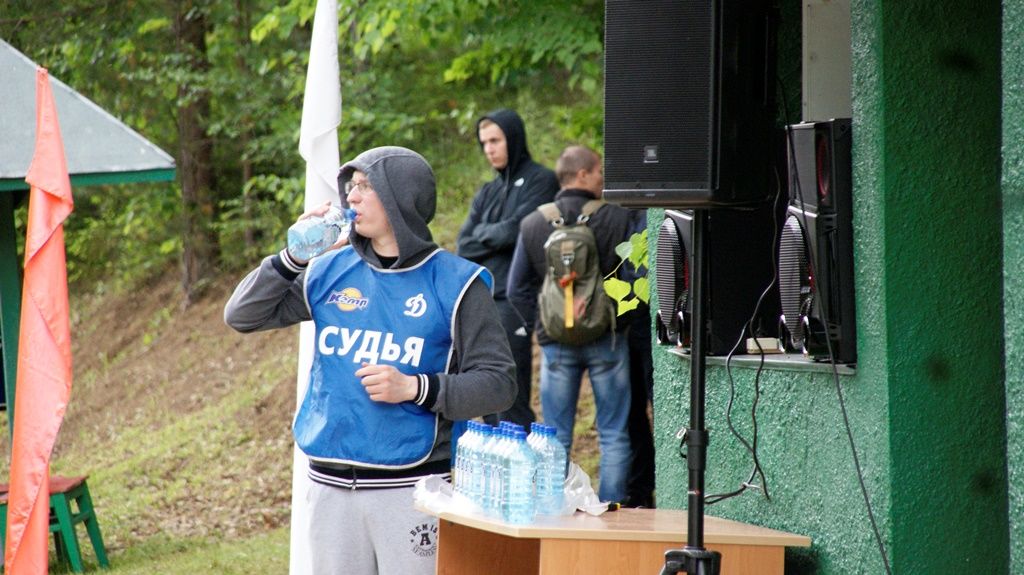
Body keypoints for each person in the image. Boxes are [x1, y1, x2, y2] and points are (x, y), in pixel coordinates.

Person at [224, 146, 516, 575]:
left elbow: (499, 384)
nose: (352, 197)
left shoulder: (457, 283)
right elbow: (242, 315)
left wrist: (416, 387)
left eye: (365, 186)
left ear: (401, 197)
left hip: (412, 487)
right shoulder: (327, 270)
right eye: (352, 187)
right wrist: (292, 258)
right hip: (328, 485)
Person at [506, 144, 634, 503]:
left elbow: (516, 289)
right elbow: (634, 277)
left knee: (556, 436)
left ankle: (553, 508)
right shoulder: (616, 218)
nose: (602, 179)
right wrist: (616, 321)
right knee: (613, 434)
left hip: (556, 344)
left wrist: (544, 327)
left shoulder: (533, 223)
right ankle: (612, 510)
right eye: (598, 172)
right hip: (607, 340)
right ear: (582, 174)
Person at [457, 108, 559, 428]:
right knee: (487, 388)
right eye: (484, 142)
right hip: (483, 299)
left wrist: (487, 233)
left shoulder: (541, 180)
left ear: (512, 138)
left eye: (495, 140)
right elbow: (464, 245)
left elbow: (519, 231)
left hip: (516, 298)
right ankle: (495, 454)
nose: (489, 149)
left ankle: (521, 452)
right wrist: (496, 235)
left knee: (512, 395)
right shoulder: (487, 192)